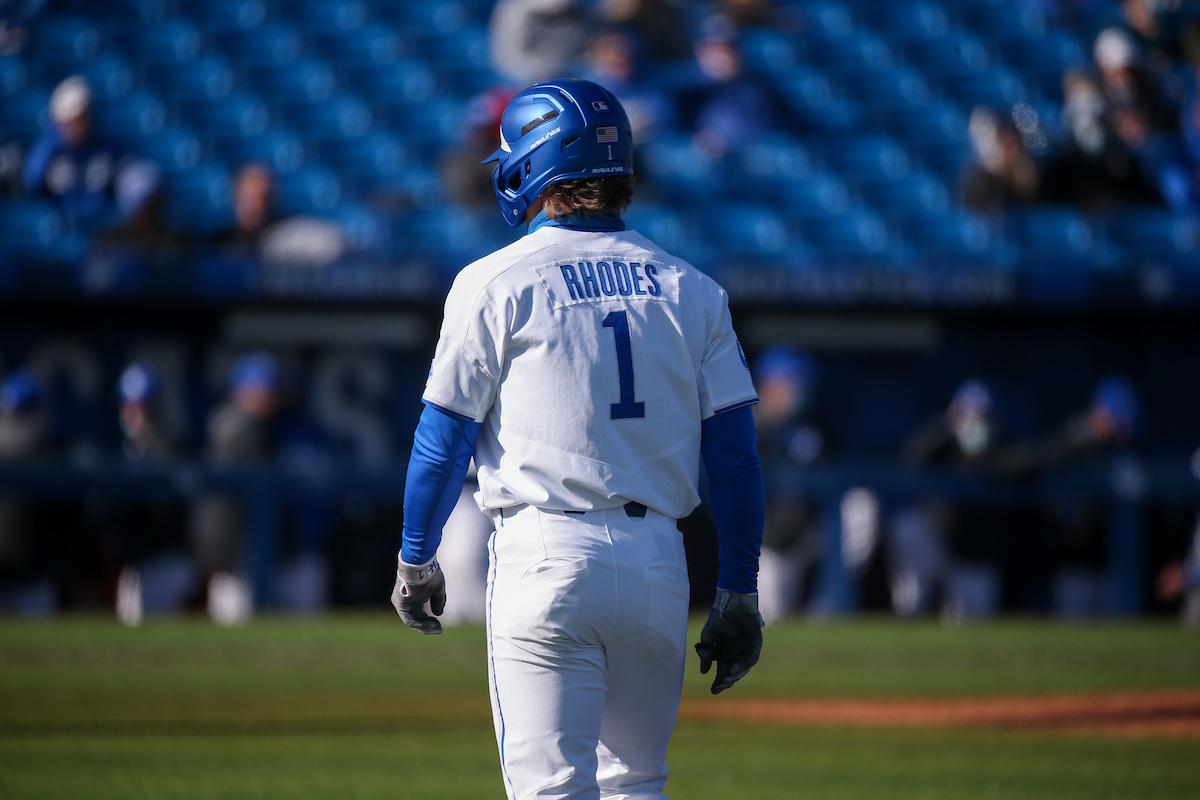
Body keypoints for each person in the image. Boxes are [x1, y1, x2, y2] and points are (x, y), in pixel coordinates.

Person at [389, 78, 765, 800]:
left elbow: (442, 442)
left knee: (550, 791)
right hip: (659, 561)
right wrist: (740, 588)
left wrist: (415, 557)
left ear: (533, 165)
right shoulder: (693, 287)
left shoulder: (493, 281)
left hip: (546, 554)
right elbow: (736, 460)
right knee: (639, 786)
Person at [22, 75, 122, 230]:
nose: (78, 125)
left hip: (96, 227)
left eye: (83, 118)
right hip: (57, 226)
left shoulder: (104, 149)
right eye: (74, 119)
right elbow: (33, 183)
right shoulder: (48, 150)